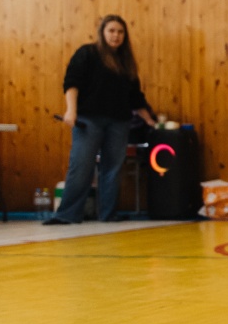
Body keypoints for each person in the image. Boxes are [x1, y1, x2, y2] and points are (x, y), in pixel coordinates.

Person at [45, 16, 157, 226]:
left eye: (120, 32)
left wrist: (150, 121)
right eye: (112, 31)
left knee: (112, 168)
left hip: (119, 123)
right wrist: (71, 110)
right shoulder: (87, 53)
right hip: (89, 120)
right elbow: (72, 82)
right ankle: (67, 214)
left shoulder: (126, 63)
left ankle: (108, 214)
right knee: (82, 165)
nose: (116, 35)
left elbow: (135, 96)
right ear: (102, 33)